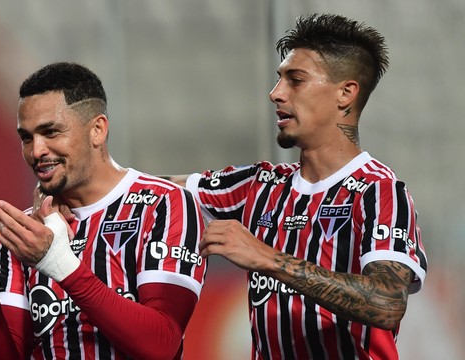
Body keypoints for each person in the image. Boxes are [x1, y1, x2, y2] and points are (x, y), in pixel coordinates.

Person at [165, 13, 428, 359]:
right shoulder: (259, 185)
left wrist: (267, 258)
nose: (275, 93)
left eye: (296, 80)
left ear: (345, 93)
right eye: (279, 79)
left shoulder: (379, 192)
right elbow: (149, 189)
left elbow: (387, 302)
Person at [0, 62, 207, 359]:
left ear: (97, 130)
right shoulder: (25, 233)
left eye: (50, 132)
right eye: (26, 138)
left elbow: (161, 345)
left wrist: (58, 262)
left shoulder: (164, 205)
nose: (36, 150)